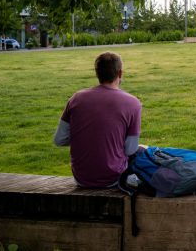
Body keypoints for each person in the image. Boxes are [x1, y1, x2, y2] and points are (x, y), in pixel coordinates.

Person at [53, 52, 141, 188]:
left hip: (81, 178)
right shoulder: (132, 103)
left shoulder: (76, 99)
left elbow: (59, 140)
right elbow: (130, 150)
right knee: (144, 152)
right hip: (114, 178)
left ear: (97, 73)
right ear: (120, 73)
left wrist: (86, 137)